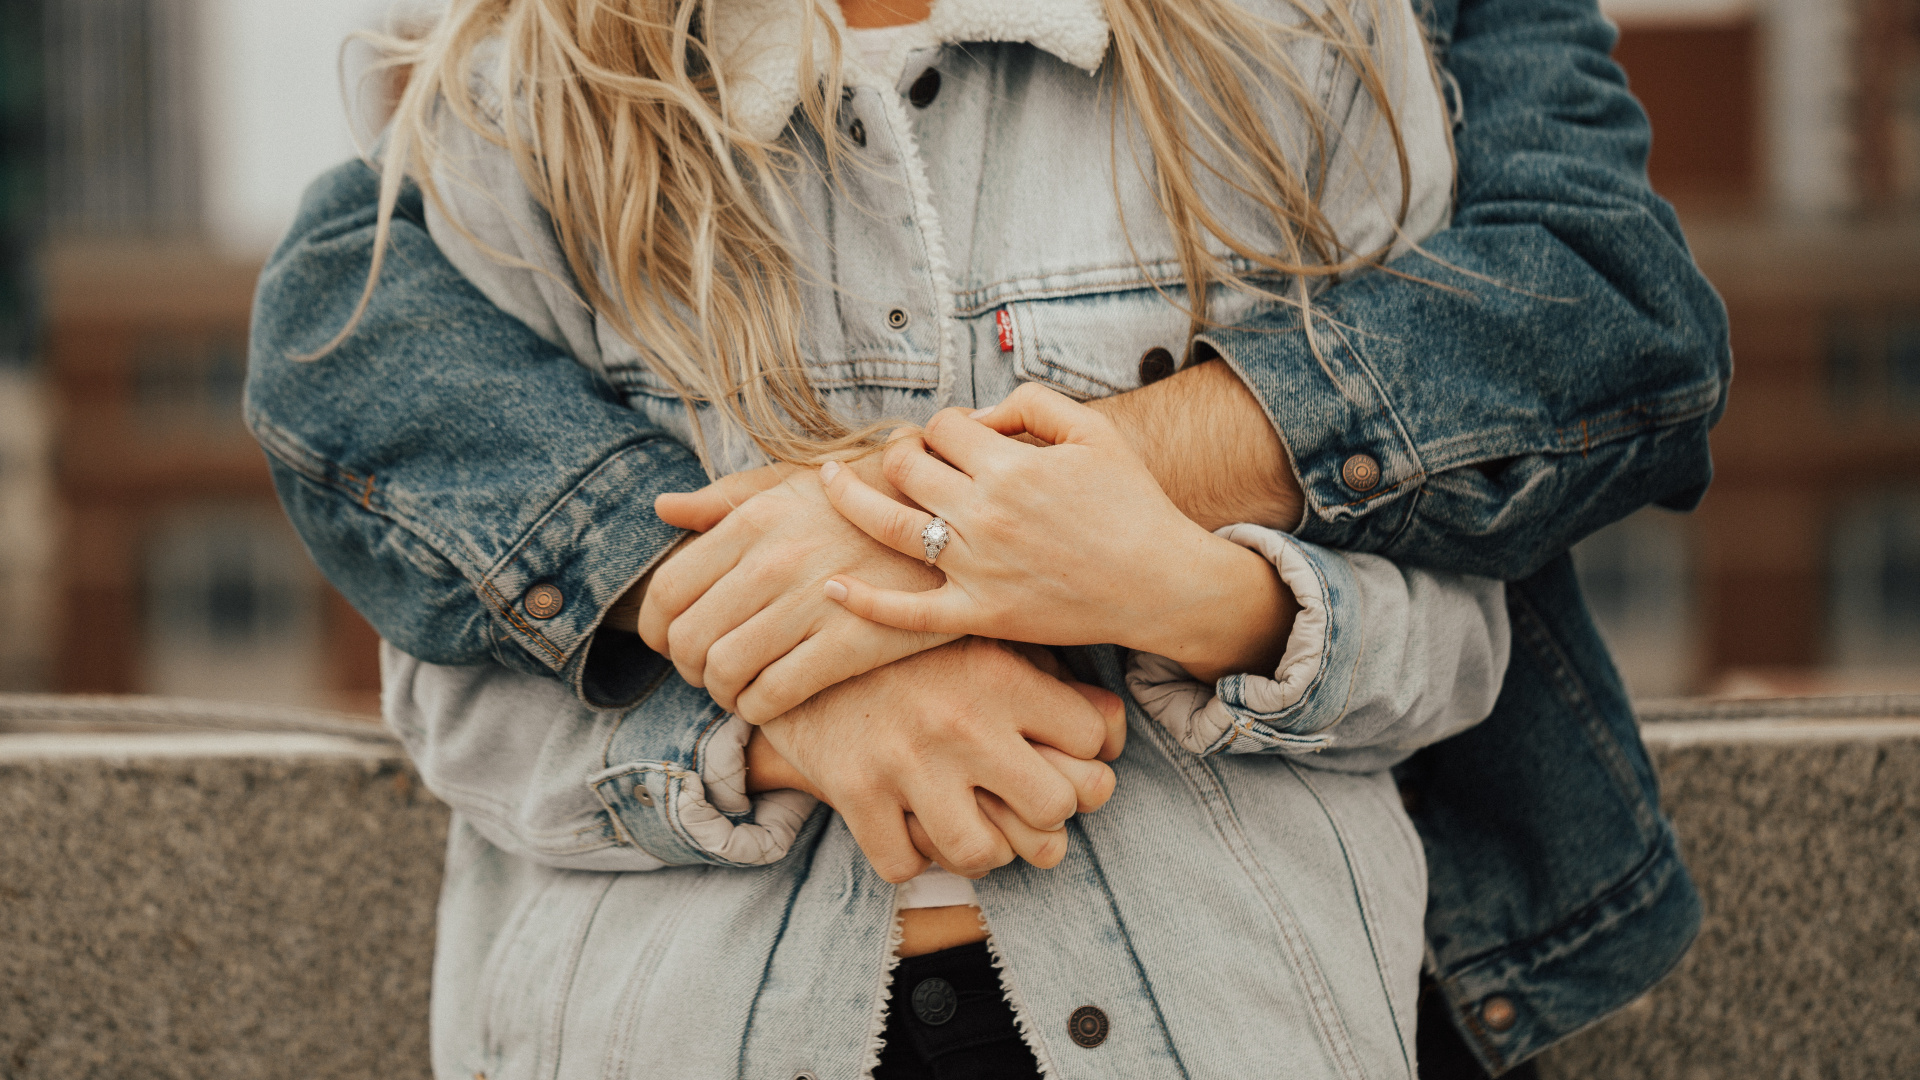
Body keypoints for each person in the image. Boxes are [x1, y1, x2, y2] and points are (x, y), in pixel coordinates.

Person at [245, 0, 1730, 1075]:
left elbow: (1469, 621)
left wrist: (1185, 590)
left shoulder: (1297, 57)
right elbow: (449, 691)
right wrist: (795, 712)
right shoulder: (536, 100)